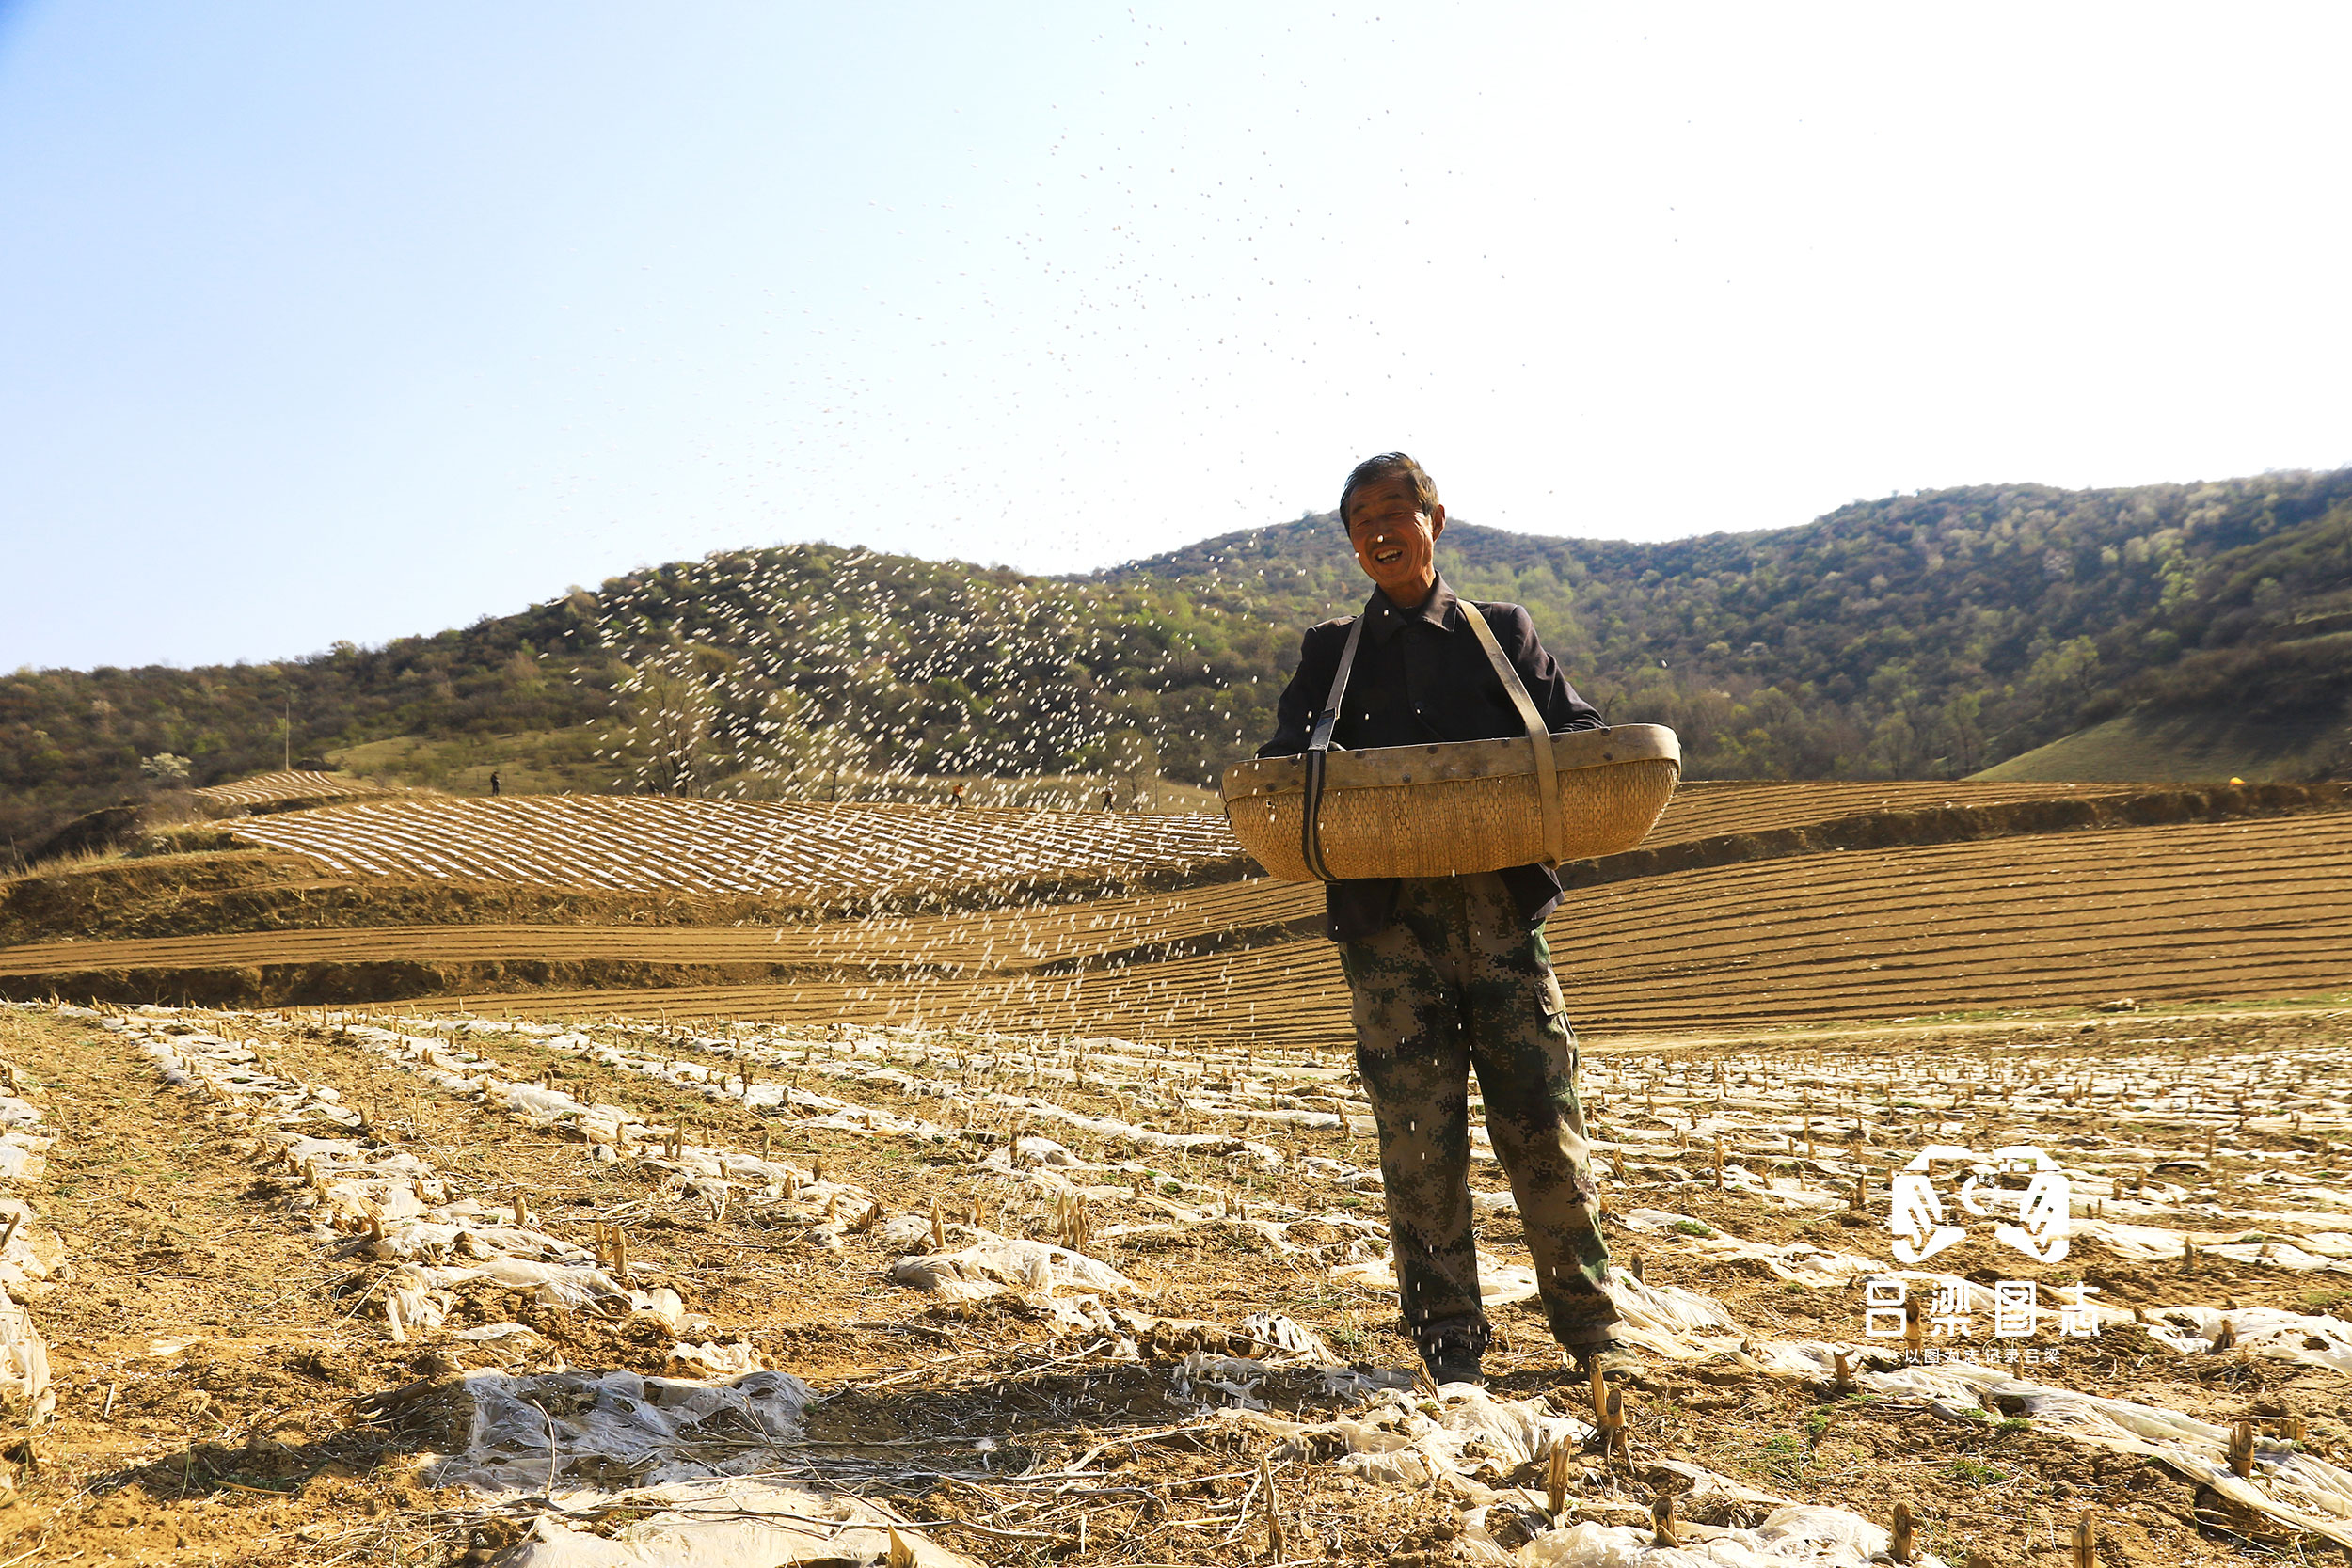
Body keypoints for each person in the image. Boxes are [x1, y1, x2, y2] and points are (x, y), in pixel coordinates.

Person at [1256, 452, 1621, 1387]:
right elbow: (1284, 775)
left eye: (1395, 513)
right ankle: (1449, 1337)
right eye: (1360, 521)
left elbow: (1576, 735)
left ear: (1435, 520)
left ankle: (1589, 1328)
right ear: (1350, 541)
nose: (1380, 532)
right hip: (1386, 934)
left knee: (1543, 1122)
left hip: (1500, 915)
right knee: (1418, 1136)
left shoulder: (1500, 633)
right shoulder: (1329, 654)